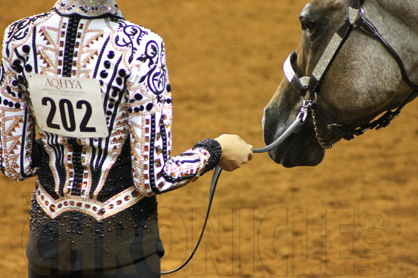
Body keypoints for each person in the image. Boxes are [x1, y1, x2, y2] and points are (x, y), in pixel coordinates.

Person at [0, 0, 253, 277]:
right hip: (122, 250)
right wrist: (214, 151)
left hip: (46, 248)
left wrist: (58, 146)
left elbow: (16, 165)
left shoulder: (19, 37)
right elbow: (152, 178)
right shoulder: (140, 46)